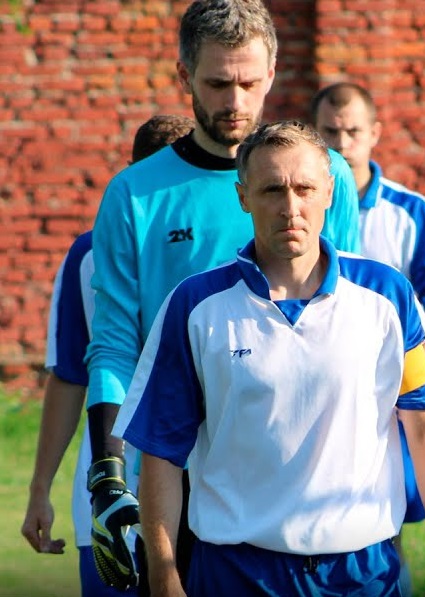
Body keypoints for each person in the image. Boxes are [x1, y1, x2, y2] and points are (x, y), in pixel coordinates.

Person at [112, 120, 425, 597]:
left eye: (304, 189)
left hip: (363, 574)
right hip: (234, 573)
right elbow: (160, 452)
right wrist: (164, 575)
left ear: (330, 193)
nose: (290, 207)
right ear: (243, 197)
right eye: (272, 190)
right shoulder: (195, 306)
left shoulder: (386, 295)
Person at [83, 1, 362, 590]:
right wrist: (108, 472)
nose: (235, 102)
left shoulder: (325, 174)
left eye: (249, 83)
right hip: (179, 470)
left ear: (273, 73)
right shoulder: (134, 195)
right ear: (184, 76)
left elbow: (355, 321)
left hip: (311, 469)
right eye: (217, 83)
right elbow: (113, 346)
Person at [21, 114, 194, 597]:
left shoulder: (235, 246)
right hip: (111, 481)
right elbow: (71, 375)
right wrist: (40, 489)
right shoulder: (88, 253)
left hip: (204, 480)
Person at [312, 82, 425, 370]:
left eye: (353, 132)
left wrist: (415, 387)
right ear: (314, 133)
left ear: (374, 133)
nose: (341, 144)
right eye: (330, 132)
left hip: (391, 373)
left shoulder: (412, 213)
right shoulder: (292, 207)